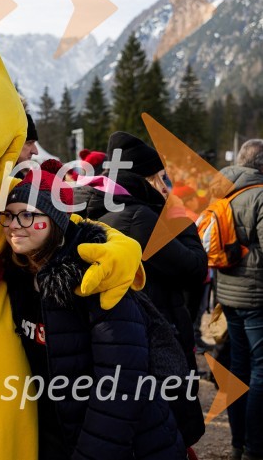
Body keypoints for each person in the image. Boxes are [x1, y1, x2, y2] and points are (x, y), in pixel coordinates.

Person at [1, 159, 187, 459]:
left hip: (126, 444)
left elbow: (122, 384)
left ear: (55, 220)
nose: (13, 225)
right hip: (60, 433)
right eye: (8, 215)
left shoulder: (96, 276)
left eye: (27, 215)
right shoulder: (19, 276)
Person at [73, 131, 207, 447]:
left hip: (111, 335)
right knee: (164, 429)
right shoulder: (140, 216)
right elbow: (194, 268)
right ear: (143, 179)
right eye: (159, 177)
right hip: (155, 332)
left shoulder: (92, 206)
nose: (165, 186)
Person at [214, 139, 263, 460]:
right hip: (256, 296)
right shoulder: (260, 195)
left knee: (238, 367)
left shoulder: (223, 190)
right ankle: (255, 447)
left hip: (227, 293)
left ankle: (237, 443)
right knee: (260, 371)